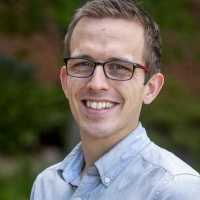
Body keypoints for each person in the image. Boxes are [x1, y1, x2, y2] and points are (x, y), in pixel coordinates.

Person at [30, 0, 200, 199]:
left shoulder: (176, 190)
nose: (96, 83)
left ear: (151, 88)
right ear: (65, 81)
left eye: (119, 67)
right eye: (83, 64)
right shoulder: (47, 186)